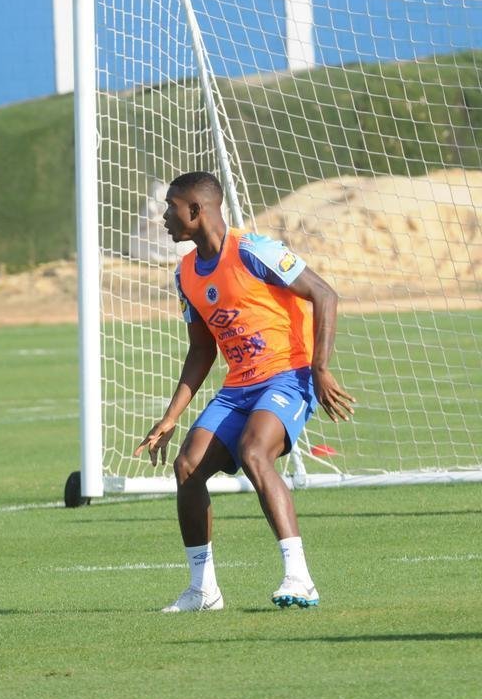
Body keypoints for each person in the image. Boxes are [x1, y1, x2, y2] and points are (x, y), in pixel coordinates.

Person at [134, 171, 355, 613]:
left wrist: (321, 367)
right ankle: (203, 591)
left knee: (256, 452)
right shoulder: (185, 275)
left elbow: (324, 295)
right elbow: (201, 350)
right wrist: (172, 415)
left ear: (195, 210)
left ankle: (299, 576)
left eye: (171, 206)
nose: (164, 216)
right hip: (239, 387)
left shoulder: (254, 250)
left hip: (288, 376)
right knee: (187, 465)